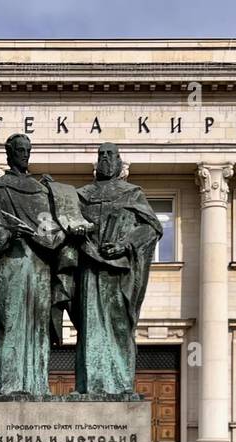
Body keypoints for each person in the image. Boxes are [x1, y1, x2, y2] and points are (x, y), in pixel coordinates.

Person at [0, 134, 78, 397]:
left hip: (41, 265)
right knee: (11, 322)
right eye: (19, 150)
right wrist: (5, 232)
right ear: (9, 153)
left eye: (27, 150)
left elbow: (56, 227)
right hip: (12, 264)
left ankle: (37, 386)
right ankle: (9, 387)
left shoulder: (42, 190)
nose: (24, 154)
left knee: (39, 326)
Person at [72, 144, 163, 397]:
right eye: (101, 155)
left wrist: (125, 244)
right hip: (89, 269)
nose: (105, 159)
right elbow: (68, 223)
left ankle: (121, 385)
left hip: (119, 272)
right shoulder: (82, 195)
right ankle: (88, 386)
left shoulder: (132, 193)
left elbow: (152, 228)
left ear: (120, 162)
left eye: (110, 155)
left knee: (120, 325)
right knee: (89, 326)